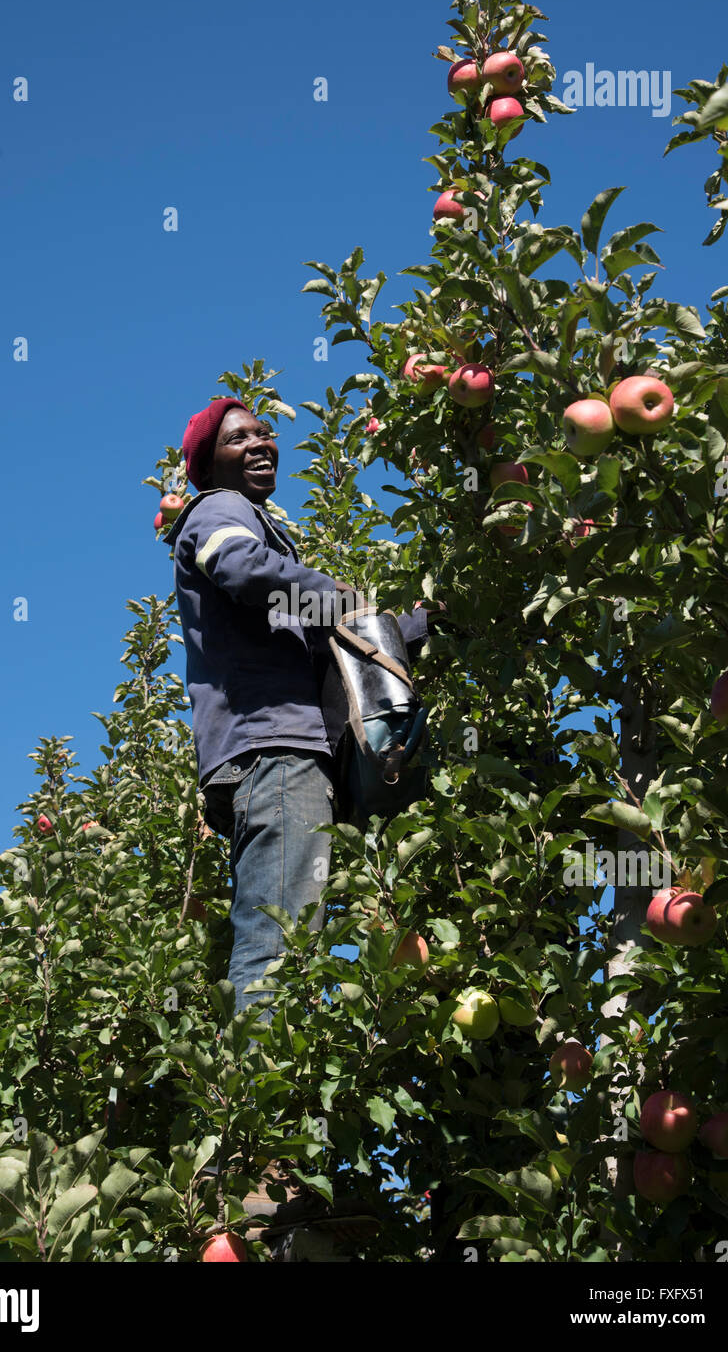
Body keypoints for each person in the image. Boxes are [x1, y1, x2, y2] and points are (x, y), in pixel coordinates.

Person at [163, 395, 436, 1239]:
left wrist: (416, 625)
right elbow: (247, 575)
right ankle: (262, 1164)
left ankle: (289, 1160)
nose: (259, 442)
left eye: (264, 431)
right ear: (206, 462)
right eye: (238, 437)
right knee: (277, 944)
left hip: (291, 759)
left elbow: (321, 622)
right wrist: (343, 600)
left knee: (297, 940)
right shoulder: (217, 514)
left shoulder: (256, 524)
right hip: (273, 756)